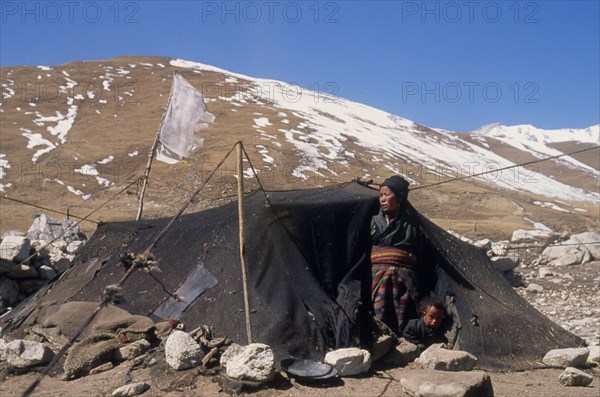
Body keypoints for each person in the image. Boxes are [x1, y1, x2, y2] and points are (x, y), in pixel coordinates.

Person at [370, 175, 421, 335]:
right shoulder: (373, 222)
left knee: (394, 275)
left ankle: (401, 330)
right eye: (380, 195)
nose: (382, 199)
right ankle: (379, 330)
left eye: (387, 195)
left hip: (404, 271)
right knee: (388, 274)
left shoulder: (412, 224)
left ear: (399, 197)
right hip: (376, 270)